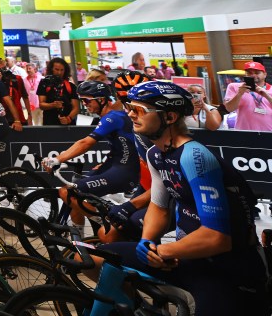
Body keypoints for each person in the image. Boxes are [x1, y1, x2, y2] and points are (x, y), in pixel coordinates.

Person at [98, 81, 269, 316]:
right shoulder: (155, 154)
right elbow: (159, 208)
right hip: (186, 259)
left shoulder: (194, 156)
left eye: (138, 110)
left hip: (227, 268)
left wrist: (167, 252)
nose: (130, 114)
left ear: (169, 116)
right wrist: (146, 243)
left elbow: (217, 237)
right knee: (94, 257)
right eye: (129, 107)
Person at [42, 81, 139, 233]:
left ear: (101, 100)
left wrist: (58, 159)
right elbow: (122, 147)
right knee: (74, 198)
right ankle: (79, 240)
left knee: (67, 192)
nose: (84, 104)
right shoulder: (111, 116)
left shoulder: (112, 117)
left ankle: (113, 224)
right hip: (117, 166)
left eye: (87, 100)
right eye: (82, 101)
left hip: (124, 172)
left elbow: (85, 143)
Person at [223, 61, 272, 131]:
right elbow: (229, 109)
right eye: (249, 73)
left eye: (257, 73)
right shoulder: (234, 87)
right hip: (244, 133)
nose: (253, 75)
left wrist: (267, 96)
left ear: (265, 74)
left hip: (268, 133)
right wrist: (239, 94)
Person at [37, 57, 78, 126]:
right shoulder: (44, 83)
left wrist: (68, 118)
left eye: (62, 70)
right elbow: (41, 105)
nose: (59, 72)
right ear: (51, 69)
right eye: (57, 69)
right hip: (50, 123)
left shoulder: (71, 86)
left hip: (68, 124)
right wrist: (53, 105)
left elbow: (76, 108)